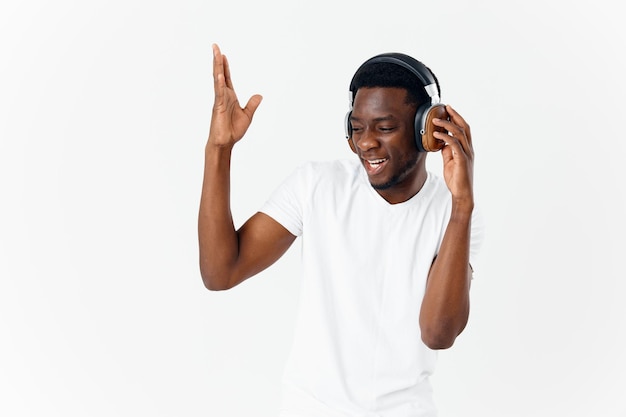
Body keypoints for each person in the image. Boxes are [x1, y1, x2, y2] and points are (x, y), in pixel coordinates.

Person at [198, 43, 484, 417]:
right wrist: (218, 149)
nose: (365, 142)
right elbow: (221, 272)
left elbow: (438, 334)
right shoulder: (316, 185)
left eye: (385, 127)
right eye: (357, 128)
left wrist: (462, 206)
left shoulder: (454, 213)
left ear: (426, 131)